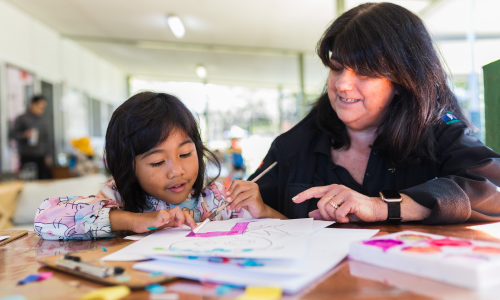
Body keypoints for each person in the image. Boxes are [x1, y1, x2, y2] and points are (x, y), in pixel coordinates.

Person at [244, 2, 500, 224]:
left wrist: (382, 206)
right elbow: (253, 214)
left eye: (364, 72)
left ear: (402, 81)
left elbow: (492, 188)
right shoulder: (294, 146)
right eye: (336, 68)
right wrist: (248, 208)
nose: (342, 84)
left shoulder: (437, 129)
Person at [33, 92, 257, 240]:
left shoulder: (216, 198)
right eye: (158, 162)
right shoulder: (117, 198)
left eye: (186, 154)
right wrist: (136, 221)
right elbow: (45, 219)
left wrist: (263, 210)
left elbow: (280, 236)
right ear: (128, 167)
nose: (177, 171)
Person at [11, 95, 52, 179]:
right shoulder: (22, 118)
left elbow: (47, 139)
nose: (42, 109)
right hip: (26, 154)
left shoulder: (44, 120)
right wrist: (24, 135)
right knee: (28, 179)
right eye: (40, 106)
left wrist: (48, 154)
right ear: (32, 104)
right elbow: (13, 134)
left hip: (41, 155)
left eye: (43, 107)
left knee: (43, 179)